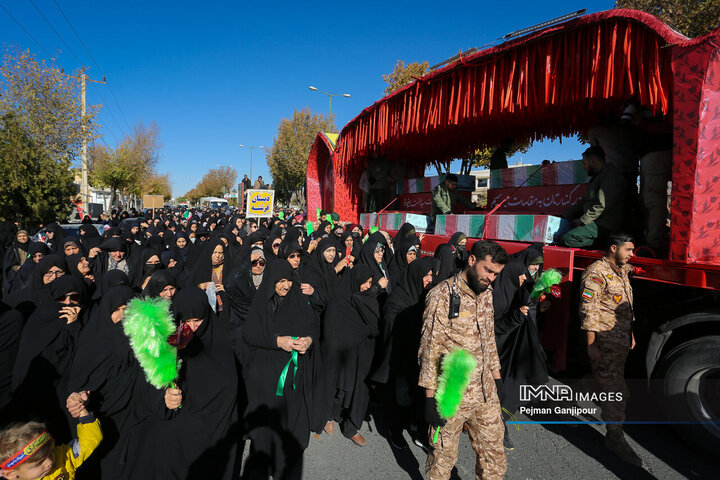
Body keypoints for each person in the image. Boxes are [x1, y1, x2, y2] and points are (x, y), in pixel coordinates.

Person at [419, 240, 508, 480]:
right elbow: (429, 350)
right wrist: (429, 400)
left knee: (494, 458)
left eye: (496, 274)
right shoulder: (441, 296)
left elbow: (489, 339)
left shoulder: (487, 293)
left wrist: (497, 380)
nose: (491, 278)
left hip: (485, 391)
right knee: (442, 460)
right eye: (488, 270)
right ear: (471, 261)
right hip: (451, 395)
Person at [241, 260, 320, 479]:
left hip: (294, 374)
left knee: (292, 426)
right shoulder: (262, 302)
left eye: (288, 281)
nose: (285, 286)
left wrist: (309, 341)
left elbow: (313, 325)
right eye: (280, 281)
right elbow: (250, 334)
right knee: (268, 429)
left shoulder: (298, 299)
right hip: (268, 375)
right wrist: (278, 341)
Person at [579, 234, 642, 466]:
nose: (631, 254)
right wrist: (591, 344)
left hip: (620, 340)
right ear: (613, 248)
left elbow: (624, 305)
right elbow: (588, 309)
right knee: (616, 389)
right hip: (604, 341)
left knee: (601, 378)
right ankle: (615, 437)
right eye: (628, 250)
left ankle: (561, 402)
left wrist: (630, 333)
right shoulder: (596, 273)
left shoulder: (621, 270)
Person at [492, 245, 548, 451]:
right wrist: (516, 316)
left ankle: (501, 422)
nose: (527, 275)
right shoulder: (496, 293)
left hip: (515, 346)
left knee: (511, 387)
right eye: (527, 269)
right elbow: (493, 324)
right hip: (497, 348)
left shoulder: (519, 287)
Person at [0, 392, 102, 480]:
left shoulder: (62, 458)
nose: (49, 462)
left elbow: (89, 441)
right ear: (11, 474)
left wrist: (81, 410)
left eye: (49, 453)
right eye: (39, 463)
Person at [561, 146, 627, 248]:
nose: (584, 167)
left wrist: (582, 221)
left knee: (568, 239)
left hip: (604, 224)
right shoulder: (596, 178)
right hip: (593, 222)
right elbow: (584, 202)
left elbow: (601, 205)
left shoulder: (610, 176)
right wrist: (565, 216)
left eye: (584, 163)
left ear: (593, 161)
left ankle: (601, 243)